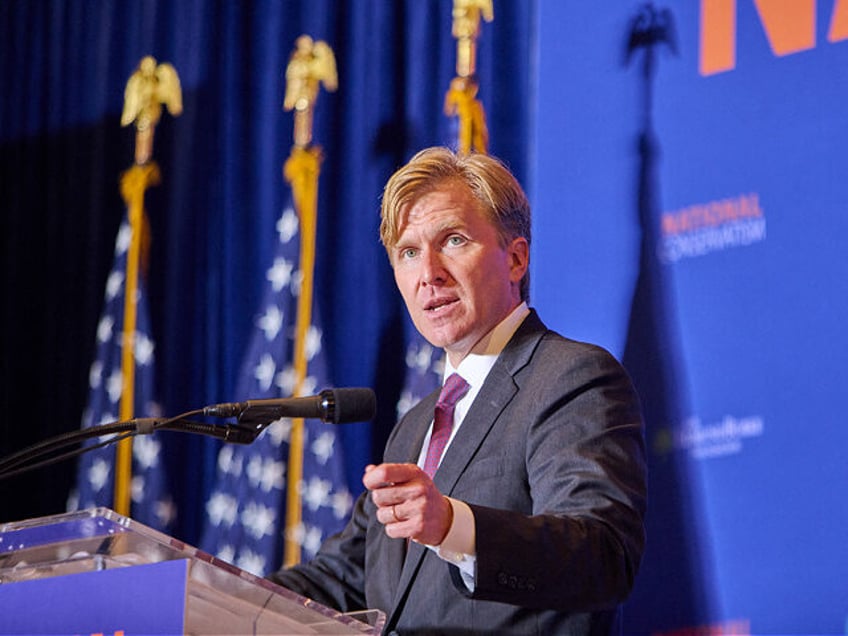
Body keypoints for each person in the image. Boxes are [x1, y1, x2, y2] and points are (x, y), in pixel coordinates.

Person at [269, 147, 647, 634]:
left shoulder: (571, 378)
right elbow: (341, 579)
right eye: (408, 252)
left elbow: (602, 555)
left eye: (452, 240)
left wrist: (454, 526)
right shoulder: (416, 427)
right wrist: (200, 591)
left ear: (516, 258)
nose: (429, 273)